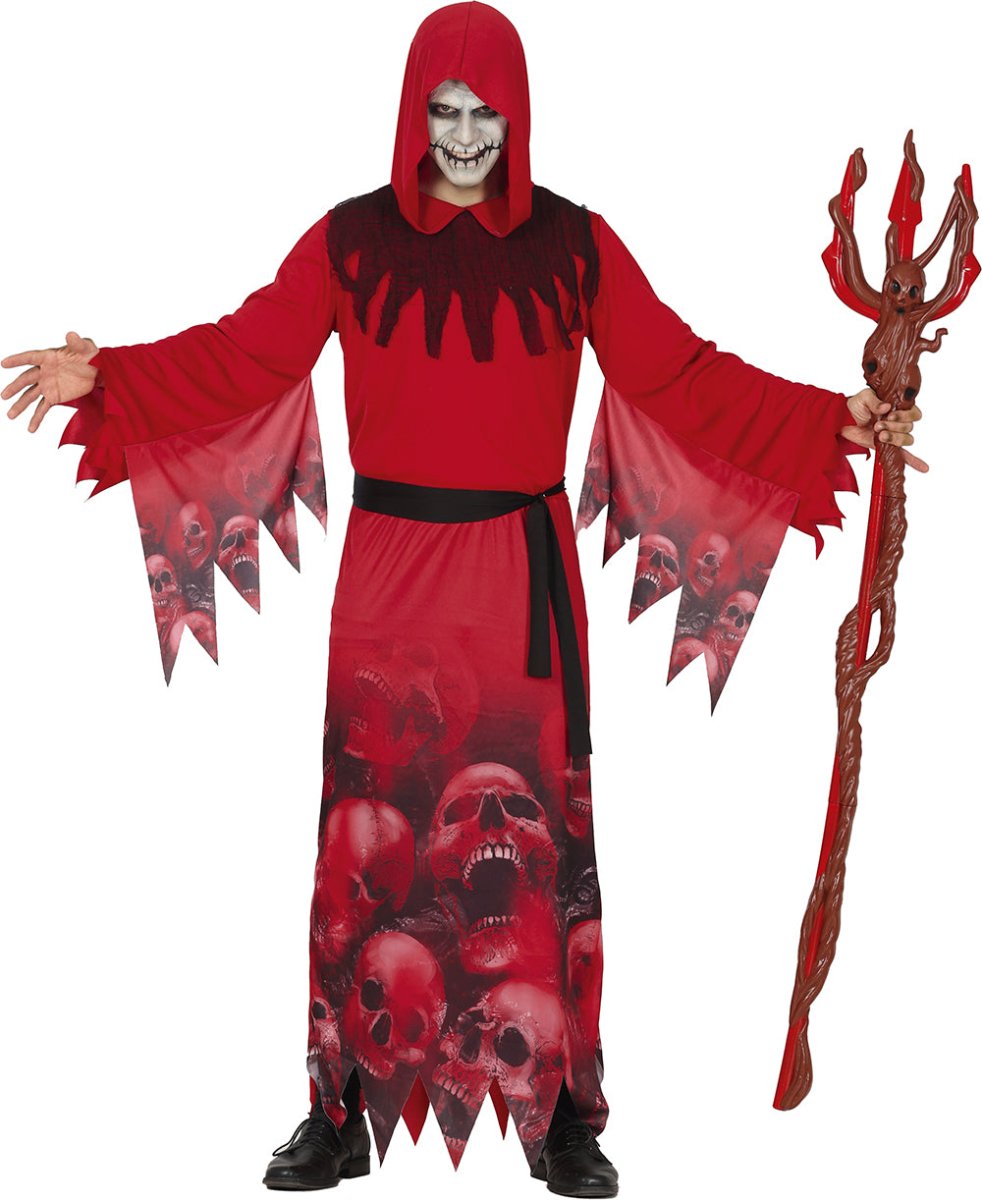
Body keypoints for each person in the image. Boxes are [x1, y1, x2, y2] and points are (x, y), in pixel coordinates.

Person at [1, 2, 924, 1195]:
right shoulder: (349, 240)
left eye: (486, 111)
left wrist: (828, 420)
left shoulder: (575, 245)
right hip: (388, 583)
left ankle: (565, 1114)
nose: (465, 133)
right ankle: (337, 1105)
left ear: (517, 116)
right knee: (364, 836)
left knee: (540, 845)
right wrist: (110, 377)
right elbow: (245, 352)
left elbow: (678, 371)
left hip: (518, 581)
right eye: (444, 109)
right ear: (412, 111)